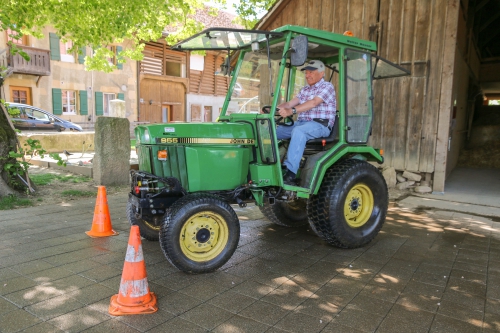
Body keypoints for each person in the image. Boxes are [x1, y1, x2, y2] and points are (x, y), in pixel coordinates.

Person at [276, 60, 336, 185]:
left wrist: (291, 111)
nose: (307, 75)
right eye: (306, 72)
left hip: (320, 124)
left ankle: (290, 173)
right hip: (302, 123)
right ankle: (268, 165)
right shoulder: (305, 90)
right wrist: (273, 109)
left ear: (321, 73)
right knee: (271, 131)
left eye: (311, 72)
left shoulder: (327, 87)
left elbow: (314, 102)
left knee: (299, 131)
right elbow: (289, 104)